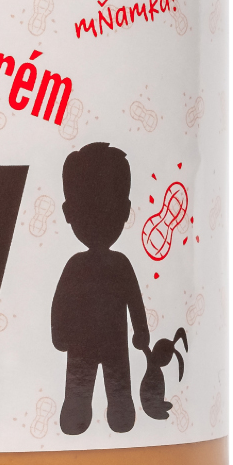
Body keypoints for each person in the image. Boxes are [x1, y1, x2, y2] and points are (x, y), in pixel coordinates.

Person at [51, 142, 149, 434]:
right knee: (81, 382)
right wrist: (59, 332)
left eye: (106, 208)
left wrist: (141, 329)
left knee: (115, 380)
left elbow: (134, 300)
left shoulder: (116, 265)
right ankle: (79, 409)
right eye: (88, 210)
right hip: (93, 341)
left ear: (125, 211)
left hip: (103, 340)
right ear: (68, 212)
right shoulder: (81, 265)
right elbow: (61, 301)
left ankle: (119, 408)